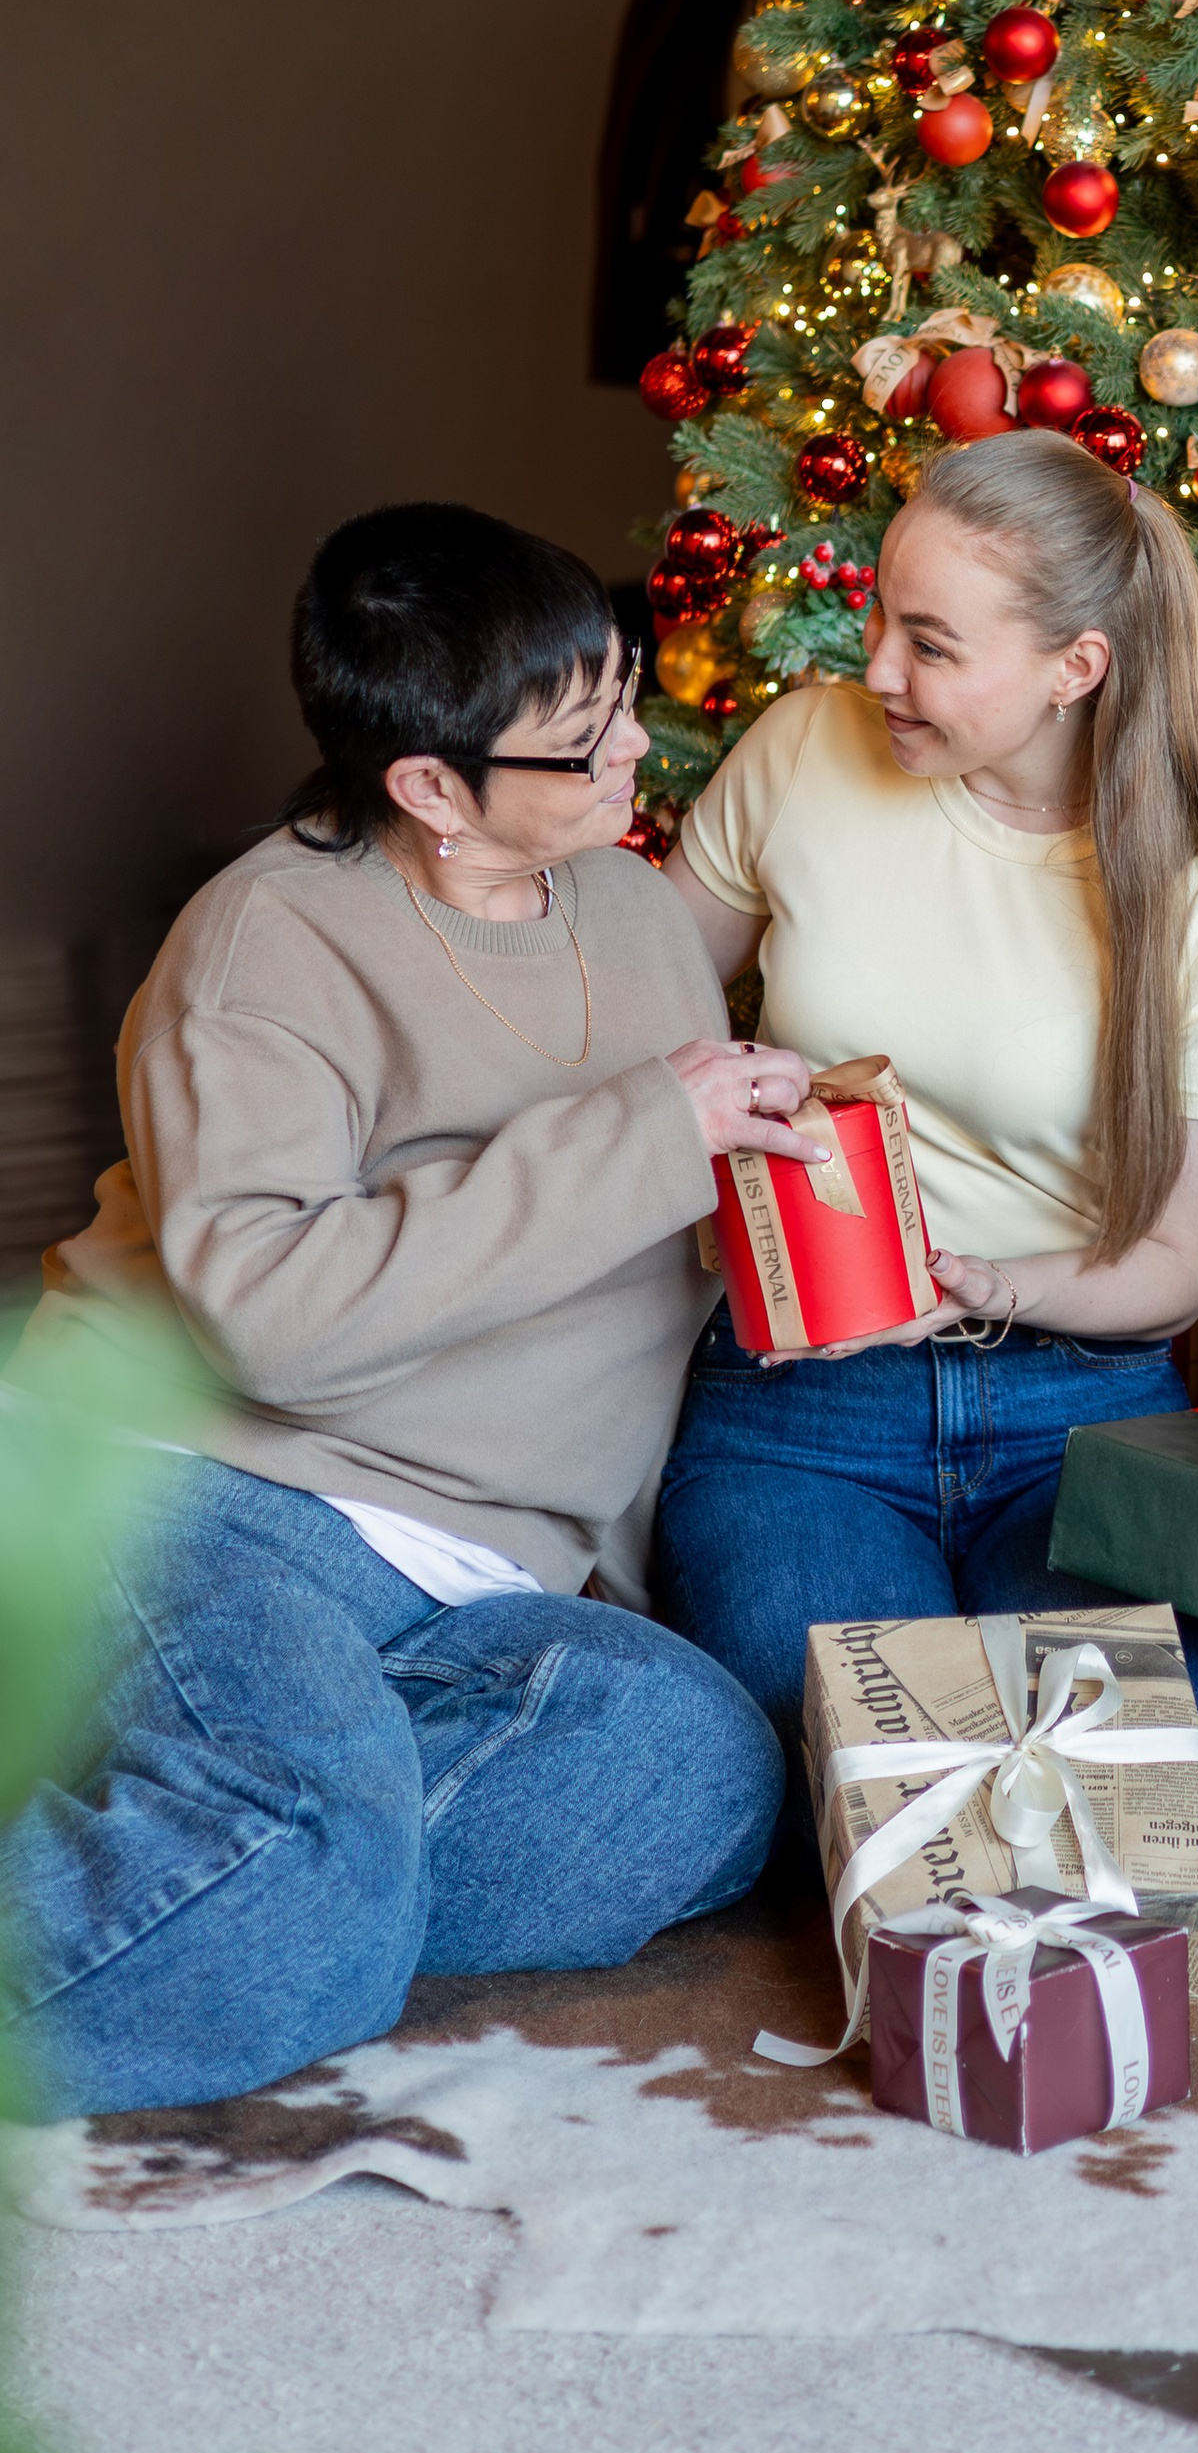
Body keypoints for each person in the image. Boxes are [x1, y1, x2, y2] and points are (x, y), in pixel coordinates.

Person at [10, 505, 799, 2118]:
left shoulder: (634, 913)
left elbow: (614, 1273)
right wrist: (654, 1132)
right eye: (582, 747)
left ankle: (233, 1847)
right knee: (308, 1903)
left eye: (626, 699)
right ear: (432, 787)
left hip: (482, 1569)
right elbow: (272, 1322)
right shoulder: (263, 945)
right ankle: (286, 1878)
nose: (635, 752)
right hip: (220, 1492)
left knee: (700, 1774)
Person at [655, 431, 1198, 1831]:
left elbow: (1176, 1260)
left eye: (931, 643)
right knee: (857, 1778)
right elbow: (634, 1010)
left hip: (1078, 1409)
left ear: (1073, 668)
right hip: (803, 1399)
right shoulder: (803, 753)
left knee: (1127, 1799)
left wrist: (997, 1287)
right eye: (878, 618)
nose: (878, 673)